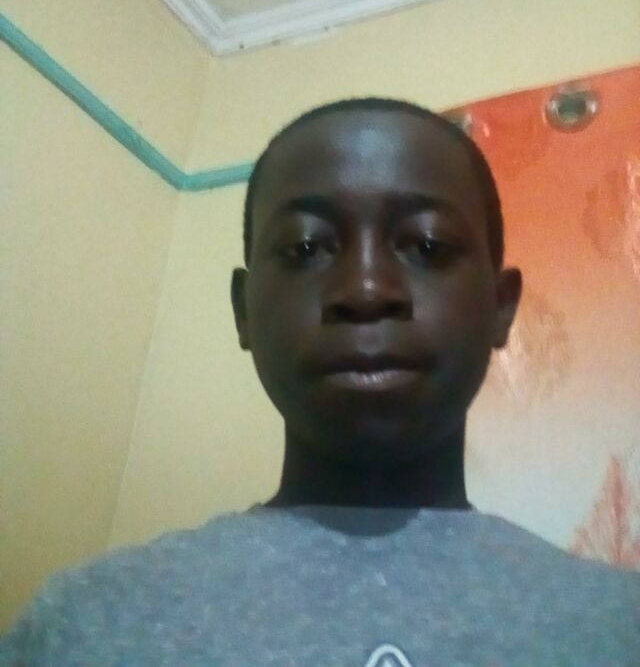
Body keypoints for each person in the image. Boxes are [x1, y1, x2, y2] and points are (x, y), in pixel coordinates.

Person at [3, 98, 638, 665]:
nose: (366, 289)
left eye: (427, 245)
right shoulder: (84, 624)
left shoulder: (618, 627)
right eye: (306, 248)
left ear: (500, 307)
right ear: (244, 311)